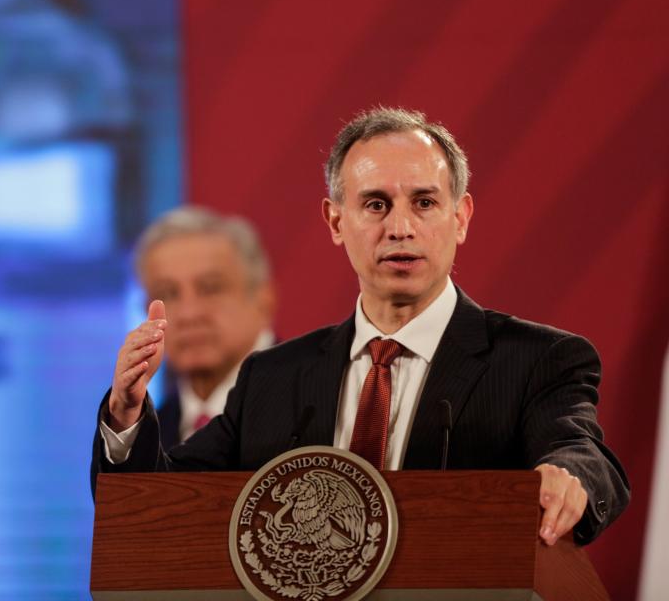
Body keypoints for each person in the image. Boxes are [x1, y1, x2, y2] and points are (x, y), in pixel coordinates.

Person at [93, 107, 629, 546]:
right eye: (376, 204)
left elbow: (581, 452)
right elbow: (161, 501)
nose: (400, 227)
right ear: (335, 221)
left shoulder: (536, 360)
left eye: (424, 203)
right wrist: (126, 413)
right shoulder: (272, 378)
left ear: (460, 217)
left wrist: (570, 476)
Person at [133, 206, 276, 448]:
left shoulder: (319, 404)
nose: (189, 314)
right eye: (167, 294)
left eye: (210, 288)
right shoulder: (144, 441)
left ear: (263, 300)